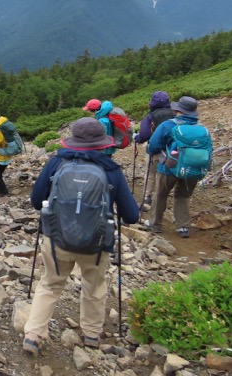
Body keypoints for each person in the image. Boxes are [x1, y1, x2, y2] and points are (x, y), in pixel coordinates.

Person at [23, 117, 139, 356]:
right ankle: (91, 334)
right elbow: (132, 216)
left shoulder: (56, 163)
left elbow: (36, 201)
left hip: (56, 239)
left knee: (50, 283)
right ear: (101, 143)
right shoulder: (111, 170)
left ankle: (33, 335)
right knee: (94, 286)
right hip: (95, 244)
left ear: (73, 141)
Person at [144, 96, 202, 238]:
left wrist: (151, 151)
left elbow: (153, 145)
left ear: (177, 110)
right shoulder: (199, 128)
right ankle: (182, 227)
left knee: (161, 194)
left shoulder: (168, 125)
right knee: (182, 196)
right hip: (192, 168)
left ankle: (155, 224)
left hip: (170, 166)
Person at [134, 91, 175, 205]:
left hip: (155, 149)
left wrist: (136, 138)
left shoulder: (150, 117)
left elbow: (143, 135)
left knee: (150, 173)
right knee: (166, 173)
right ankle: (162, 195)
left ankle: (148, 196)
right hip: (172, 150)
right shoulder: (174, 114)